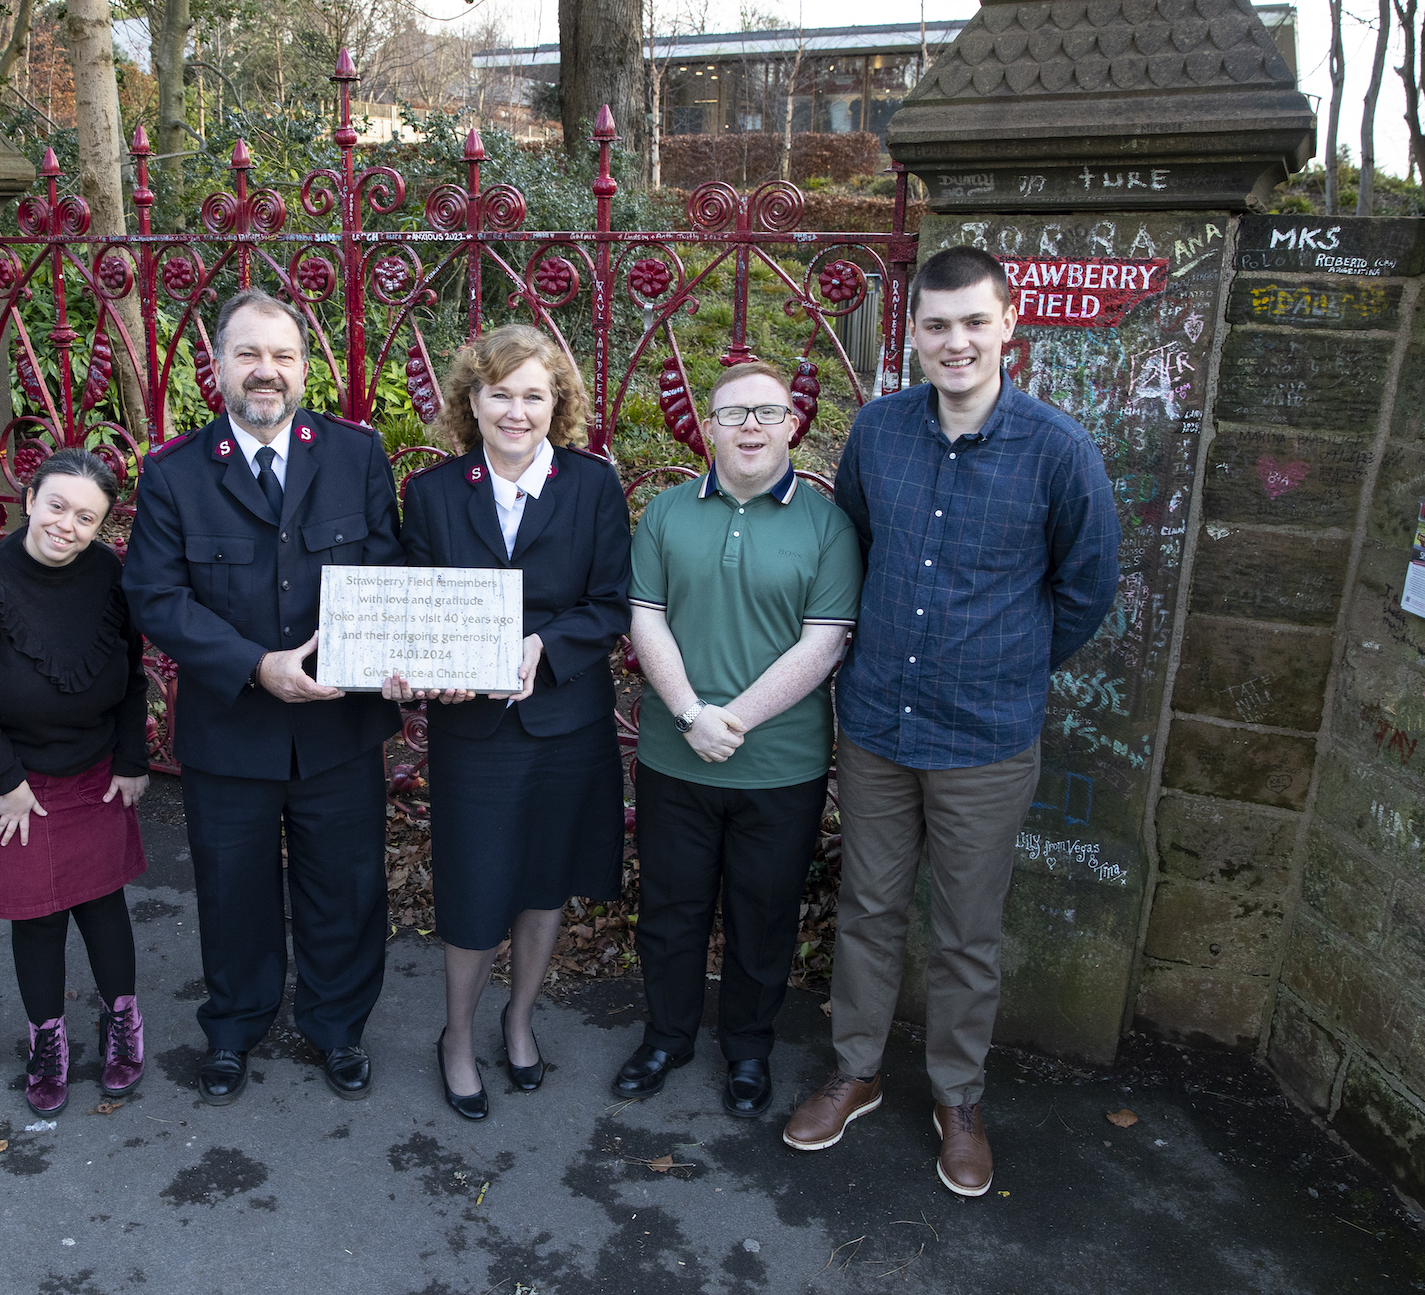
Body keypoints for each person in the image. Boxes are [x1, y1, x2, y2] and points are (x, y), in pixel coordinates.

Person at [782, 246, 1119, 1196]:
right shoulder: (879, 434)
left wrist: (1009, 662)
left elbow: (1086, 589)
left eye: (974, 322)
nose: (955, 341)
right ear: (914, 335)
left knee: (968, 927)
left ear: (1010, 323)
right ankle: (856, 1069)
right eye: (936, 325)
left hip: (986, 736)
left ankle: (958, 1096)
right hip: (880, 721)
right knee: (869, 907)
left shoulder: (1058, 450)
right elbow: (850, 549)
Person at [122, 288, 403, 1105]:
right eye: (248, 354)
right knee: (232, 885)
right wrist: (255, 664)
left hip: (340, 722)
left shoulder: (356, 455)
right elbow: (157, 596)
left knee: (345, 885)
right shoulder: (174, 475)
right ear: (216, 367)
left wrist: (390, 651)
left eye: (282, 355)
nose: (266, 371)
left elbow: (386, 572)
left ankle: (337, 1026)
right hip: (232, 723)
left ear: (305, 369)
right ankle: (236, 1025)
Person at [382, 325, 631, 1120]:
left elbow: (611, 603)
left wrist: (545, 646)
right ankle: (456, 1035)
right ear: (472, 402)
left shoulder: (593, 486)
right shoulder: (430, 493)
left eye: (534, 394)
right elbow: (417, 610)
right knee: (474, 884)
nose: (516, 410)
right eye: (500, 394)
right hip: (474, 731)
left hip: (566, 720)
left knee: (545, 878)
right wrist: (431, 673)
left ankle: (518, 1018)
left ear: (556, 404)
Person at [616, 361, 862, 1119]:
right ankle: (667, 1034)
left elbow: (824, 642)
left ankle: (749, 1048)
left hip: (779, 766)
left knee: (763, 911)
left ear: (793, 424)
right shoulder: (665, 513)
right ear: (707, 427)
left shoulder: (828, 524)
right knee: (670, 906)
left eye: (766, 412)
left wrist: (735, 721)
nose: (750, 426)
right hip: (672, 753)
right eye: (732, 413)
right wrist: (691, 713)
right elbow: (644, 617)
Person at [0, 449, 151, 1116]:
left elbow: (134, 674)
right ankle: (47, 1039)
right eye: (57, 505)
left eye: (87, 516)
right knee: (38, 914)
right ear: (30, 499)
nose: (67, 524)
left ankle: (123, 1023)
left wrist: (132, 757)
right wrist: (7, 781)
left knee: (101, 902)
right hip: (12, 778)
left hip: (91, 768)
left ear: (102, 526)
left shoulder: (110, 575)